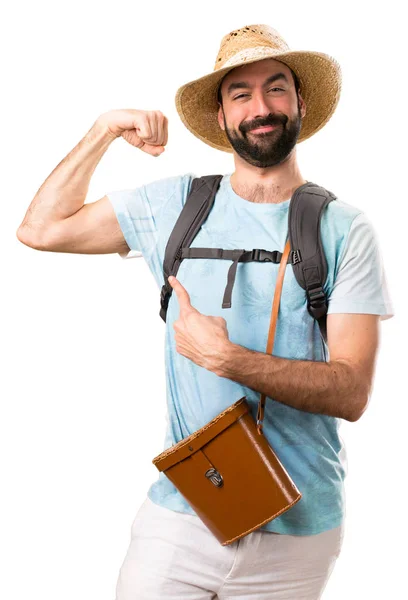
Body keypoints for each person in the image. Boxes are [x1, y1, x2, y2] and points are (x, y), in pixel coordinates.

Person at [17, 23, 394, 600]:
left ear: (300, 102)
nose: (260, 108)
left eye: (276, 89)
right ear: (221, 116)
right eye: (240, 94)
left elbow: (352, 393)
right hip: (183, 516)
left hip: (298, 534)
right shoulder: (176, 205)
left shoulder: (345, 230)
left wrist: (228, 359)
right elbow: (40, 230)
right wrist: (103, 131)